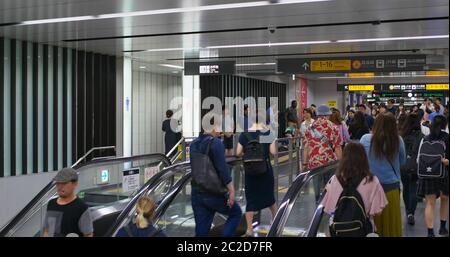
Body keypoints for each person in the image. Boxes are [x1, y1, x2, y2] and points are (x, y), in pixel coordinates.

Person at [190, 119, 242, 237]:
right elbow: (222, 169)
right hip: (214, 193)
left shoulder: (193, 144)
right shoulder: (216, 143)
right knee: (236, 213)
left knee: (201, 231)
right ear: (213, 127)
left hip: (197, 193)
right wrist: (231, 190)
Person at [322, 142, 388, 234]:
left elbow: (329, 209)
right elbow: (378, 212)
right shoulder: (372, 180)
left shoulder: (334, 180)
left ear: (344, 158)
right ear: (364, 159)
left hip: (339, 232)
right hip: (363, 231)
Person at [360, 113, 406, 237]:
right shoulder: (398, 140)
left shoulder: (365, 139)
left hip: (369, 188)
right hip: (391, 188)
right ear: (393, 125)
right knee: (391, 224)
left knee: (372, 225)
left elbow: (360, 160)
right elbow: (402, 162)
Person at [236, 109, 277, 237]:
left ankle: (249, 229)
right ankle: (275, 223)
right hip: (265, 171)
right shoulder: (268, 133)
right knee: (270, 199)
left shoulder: (244, 134)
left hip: (250, 172)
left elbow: (238, 152)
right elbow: (273, 152)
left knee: (251, 200)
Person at [416, 115, 449, 237]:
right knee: (445, 200)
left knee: (430, 203)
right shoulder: (447, 138)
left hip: (428, 174)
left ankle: (430, 232)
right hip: (444, 173)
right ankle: (443, 228)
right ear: (445, 125)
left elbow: (419, 159)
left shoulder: (425, 138)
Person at [303, 105, 343, 202]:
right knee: (329, 187)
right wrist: (341, 163)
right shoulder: (333, 127)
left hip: (314, 162)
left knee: (317, 186)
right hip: (329, 162)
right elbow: (338, 147)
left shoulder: (310, 128)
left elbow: (306, 147)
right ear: (328, 115)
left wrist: (305, 163)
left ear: (317, 115)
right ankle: (328, 206)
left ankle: (318, 203)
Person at [43, 168, 93, 237]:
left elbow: (88, 234)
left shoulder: (81, 208)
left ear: (75, 184)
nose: (60, 187)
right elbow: (47, 231)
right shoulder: (51, 203)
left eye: (64, 183)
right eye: (58, 183)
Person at [399, 113, 424, 226]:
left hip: (403, 166)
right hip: (416, 166)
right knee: (413, 188)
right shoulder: (422, 136)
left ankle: (407, 210)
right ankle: (411, 213)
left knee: (406, 188)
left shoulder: (401, 136)